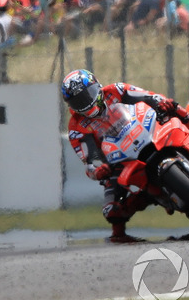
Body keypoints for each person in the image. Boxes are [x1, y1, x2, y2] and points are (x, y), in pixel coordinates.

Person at [62, 69, 179, 243]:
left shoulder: (115, 90)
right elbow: (88, 161)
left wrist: (161, 103)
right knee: (111, 210)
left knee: (177, 113)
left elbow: (147, 96)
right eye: (79, 101)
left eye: (89, 94)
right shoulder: (76, 127)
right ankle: (120, 235)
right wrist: (98, 170)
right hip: (118, 162)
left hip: (145, 134)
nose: (86, 102)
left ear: (98, 86)